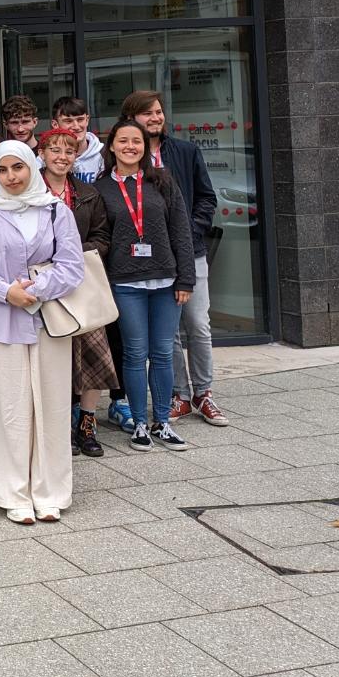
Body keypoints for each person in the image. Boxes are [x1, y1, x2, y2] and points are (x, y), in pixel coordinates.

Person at [0, 141, 85, 524]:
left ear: (31, 168)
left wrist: (34, 291)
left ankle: (50, 493)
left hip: (49, 320)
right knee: (7, 409)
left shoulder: (56, 210)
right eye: (2, 169)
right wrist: (7, 292)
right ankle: (12, 493)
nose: (10, 176)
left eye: (17, 167)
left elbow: (72, 266)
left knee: (51, 407)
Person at [121, 90, 226, 428]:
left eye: (158, 112)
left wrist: (190, 230)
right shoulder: (130, 157)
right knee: (170, 334)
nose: (155, 118)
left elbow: (207, 198)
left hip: (190, 252)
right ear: (131, 118)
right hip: (154, 260)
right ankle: (179, 394)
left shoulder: (185, 151)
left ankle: (203, 392)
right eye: (147, 113)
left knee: (198, 324)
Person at [99, 119, 196, 454]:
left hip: (166, 281)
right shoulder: (101, 189)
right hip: (125, 282)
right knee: (135, 353)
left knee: (163, 352)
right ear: (112, 146)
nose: (130, 146)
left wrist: (186, 278)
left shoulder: (162, 181)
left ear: (144, 146)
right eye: (123, 141)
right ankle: (140, 423)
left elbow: (181, 231)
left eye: (136, 141)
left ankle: (163, 422)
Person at [37, 128, 115, 459]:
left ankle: (87, 423)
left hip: (82, 281)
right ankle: (58, 426)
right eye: (55, 150)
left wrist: (72, 254)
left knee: (94, 351)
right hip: (43, 283)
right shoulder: (30, 189)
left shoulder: (88, 193)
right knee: (54, 356)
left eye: (69, 151)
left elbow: (102, 236)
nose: (62, 157)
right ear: (42, 153)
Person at [50, 97, 105, 182]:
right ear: (55, 124)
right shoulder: (46, 157)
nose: (76, 126)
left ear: (87, 120)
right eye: (68, 121)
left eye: (80, 120)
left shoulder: (104, 154)